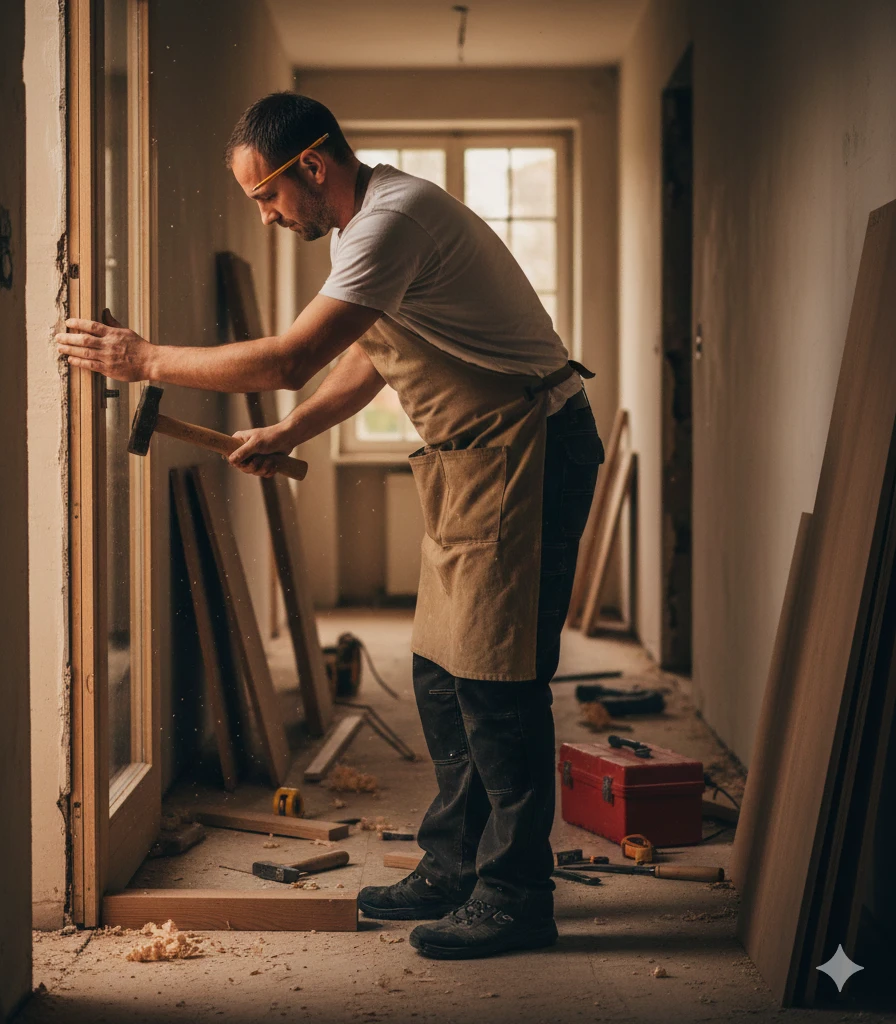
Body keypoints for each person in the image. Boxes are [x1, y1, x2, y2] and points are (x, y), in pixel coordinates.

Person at [56, 92, 604, 960]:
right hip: (473, 459)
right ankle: (455, 862)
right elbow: (368, 355)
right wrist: (287, 433)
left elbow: (291, 357)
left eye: (266, 197)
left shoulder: (395, 220)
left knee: (497, 683)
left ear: (312, 166)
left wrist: (144, 358)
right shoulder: (361, 231)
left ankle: (516, 892)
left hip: (526, 451)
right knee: (437, 670)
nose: (268, 216)